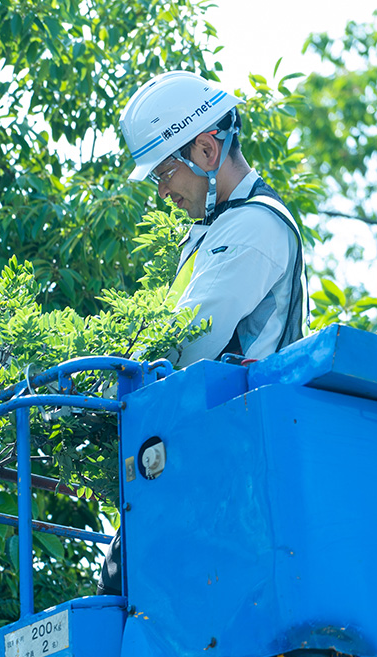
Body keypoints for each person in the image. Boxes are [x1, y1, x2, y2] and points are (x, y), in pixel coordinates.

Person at [97, 69, 306, 595]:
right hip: (203, 460)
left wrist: (99, 386)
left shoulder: (254, 227)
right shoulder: (214, 229)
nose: (163, 190)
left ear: (208, 151)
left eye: (165, 173)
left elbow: (185, 346)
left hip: (232, 469)